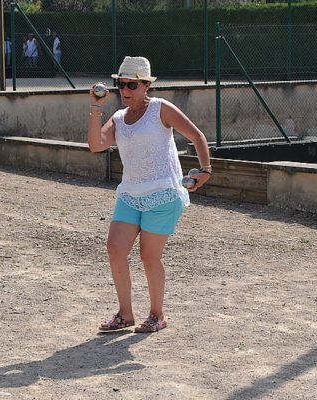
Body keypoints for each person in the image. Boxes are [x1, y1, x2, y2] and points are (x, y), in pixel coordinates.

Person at [87, 56, 212, 333]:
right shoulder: (119, 118)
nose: (125, 90)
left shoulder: (160, 109)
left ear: (146, 85)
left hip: (163, 193)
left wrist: (205, 170)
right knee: (115, 249)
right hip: (130, 194)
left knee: (148, 256)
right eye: (121, 84)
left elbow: (197, 136)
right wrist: (96, 108)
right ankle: (125, 314)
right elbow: (96, 145)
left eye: (132, 84)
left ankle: (157, 315)